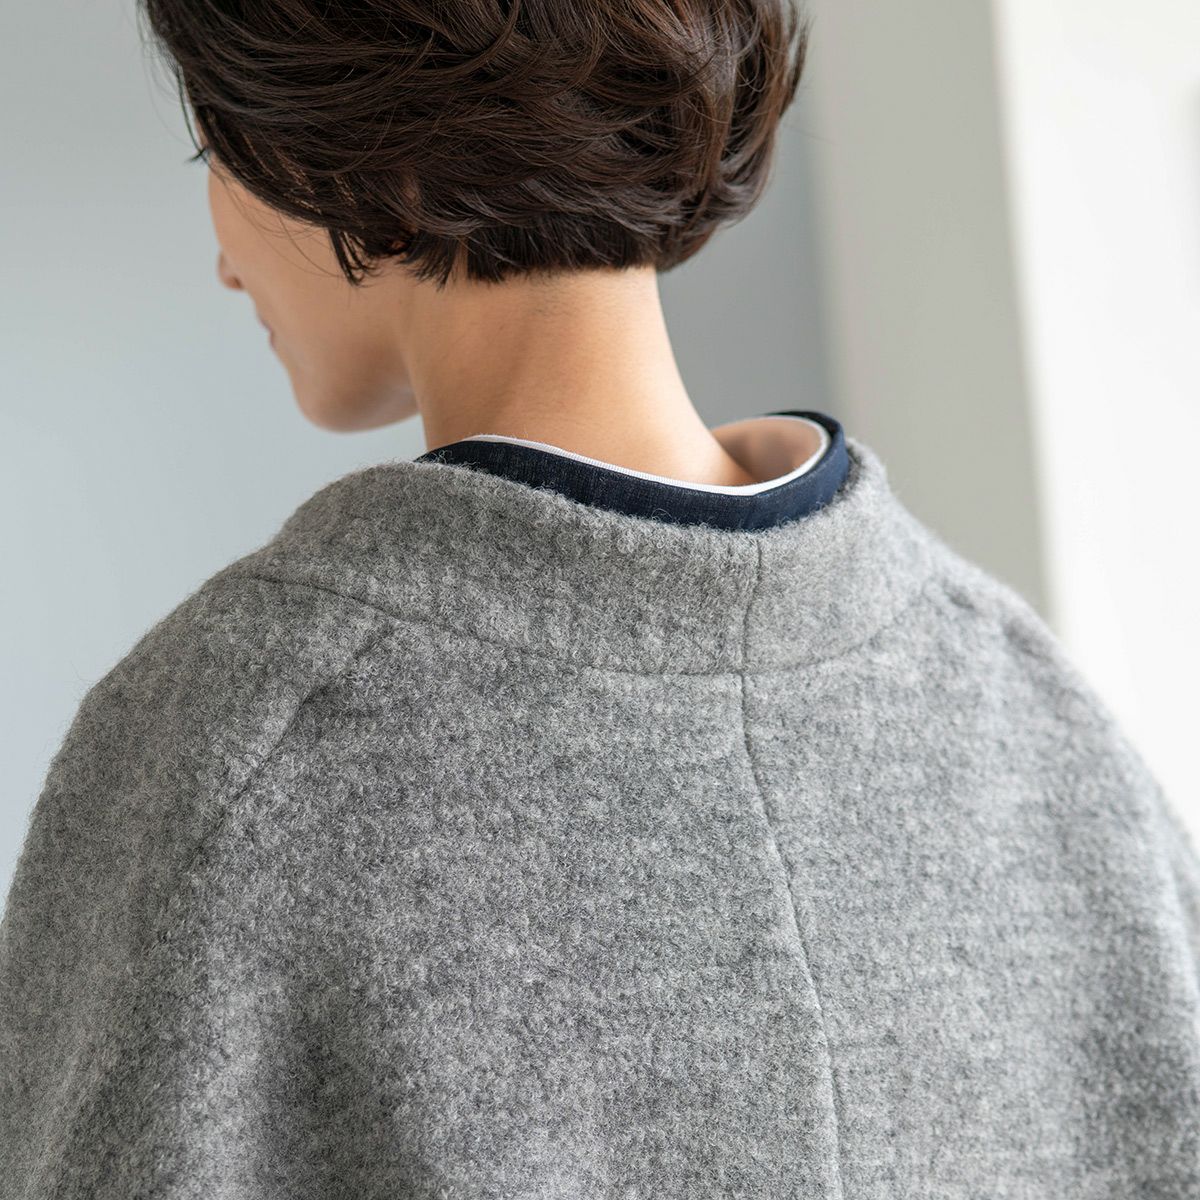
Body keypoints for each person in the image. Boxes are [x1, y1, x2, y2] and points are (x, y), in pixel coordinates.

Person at [2, 1, 1198, 1196]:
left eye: (217, 153)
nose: (222, 259)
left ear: (356, 150)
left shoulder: (236, 747)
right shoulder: (1034, 719)